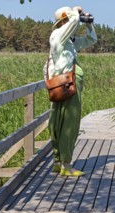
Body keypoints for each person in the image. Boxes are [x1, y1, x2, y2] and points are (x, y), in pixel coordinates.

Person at [44, 6, 97, 176]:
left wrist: (89, 24)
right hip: (67, 86)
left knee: (57, 121)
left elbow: (91, 39)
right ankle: (66, 165)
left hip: (64, 85)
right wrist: (76, 11)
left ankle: (58, 162)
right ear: (64, 21)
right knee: (69, 123)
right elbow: (74, 20)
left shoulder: (69, 41)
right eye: (69, 20)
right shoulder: (58, 36)